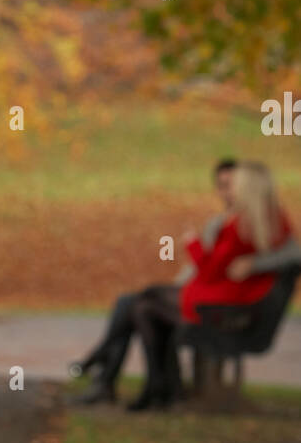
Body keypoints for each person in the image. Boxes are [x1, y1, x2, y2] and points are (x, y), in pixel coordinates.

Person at [68, 158, 301, 405]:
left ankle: (107, 364)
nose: (228, 191)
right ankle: (142, 383)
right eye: (222, 185)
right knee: (139, 303)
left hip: (221, 302)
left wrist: (193, 244)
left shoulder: (242, 224)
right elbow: (211, 268)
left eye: (233, 185)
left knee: (142, 303)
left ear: (248, 187)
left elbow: (213, 268)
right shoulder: (252, 221)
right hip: (221, 295)